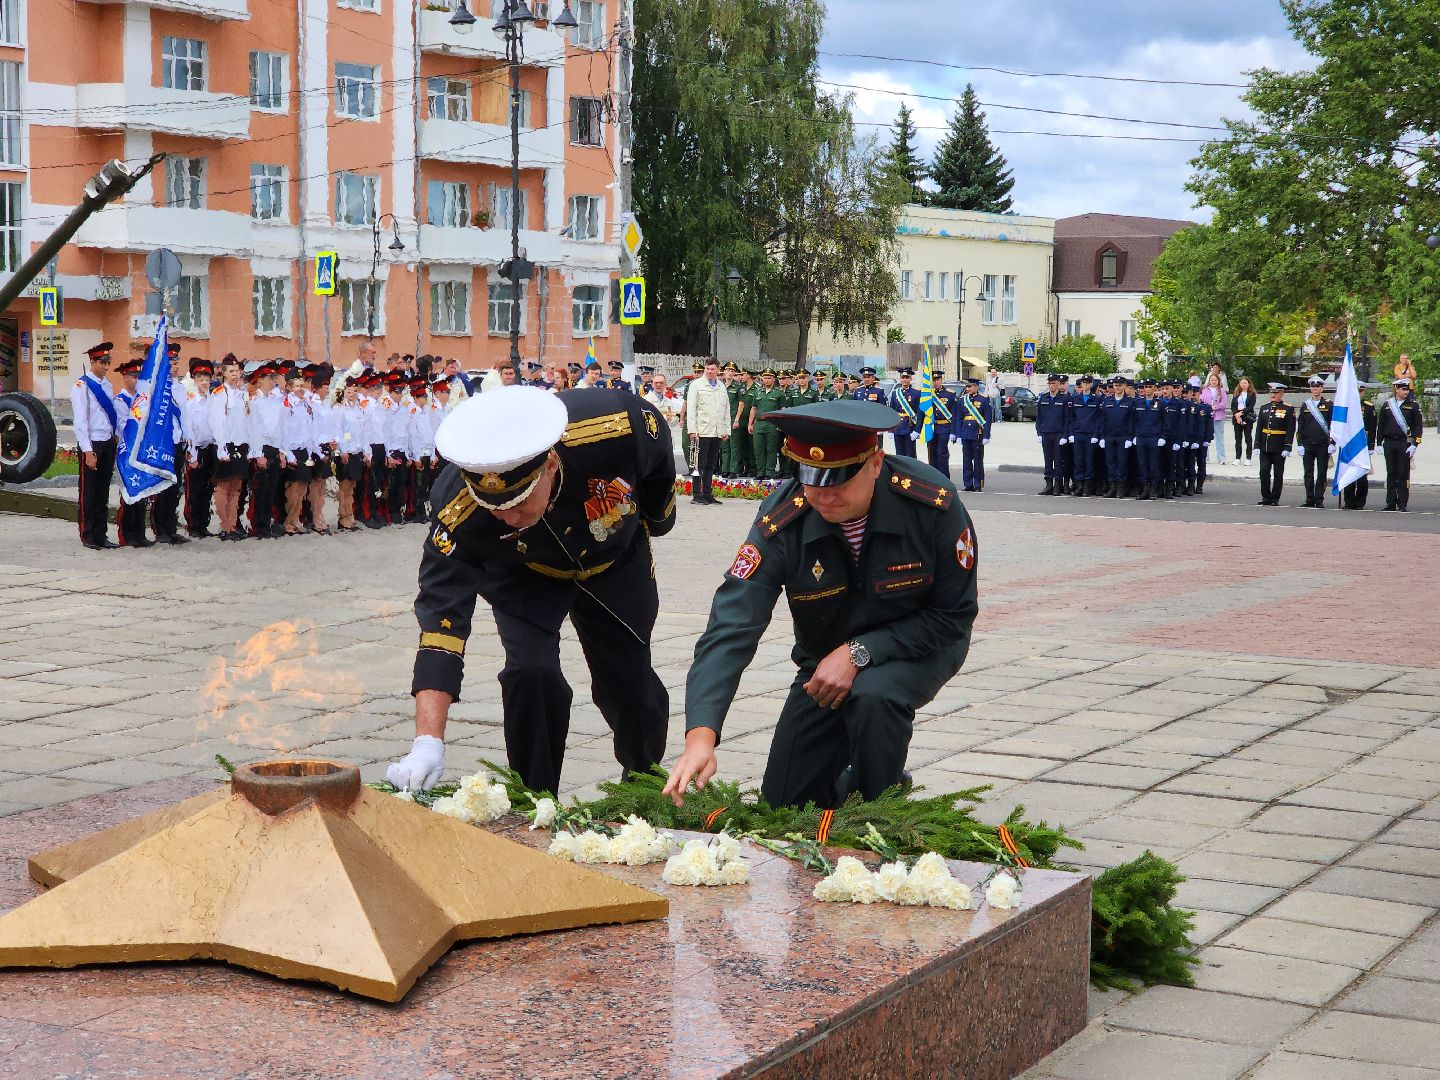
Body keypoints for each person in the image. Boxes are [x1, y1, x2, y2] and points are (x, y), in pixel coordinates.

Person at [663, 399, 978, 810]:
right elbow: (732, 624)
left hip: (922, 645)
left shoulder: (931, 504)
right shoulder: (783, 520)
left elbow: (953, 616)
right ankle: (857, 777)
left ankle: (877, 803)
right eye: (812, 480)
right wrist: (701, 736)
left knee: (874, 695)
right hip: (823, 662)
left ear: (875, 463)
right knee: (784, 804)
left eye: (839, 482)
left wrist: (860, 652)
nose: (824, 497)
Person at [386, 386, 677, 796]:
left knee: (629, 681)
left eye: (520, 502)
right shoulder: (457, 509)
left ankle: (642, 780)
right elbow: (441, 623)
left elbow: (658, 457)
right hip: (524, 572)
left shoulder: (616, 425)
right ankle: (536, 798)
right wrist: (427, 742)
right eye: (495, 508)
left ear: (551, 464)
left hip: (612, 559)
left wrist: (659, 517)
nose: (508, 517)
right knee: (530, 672)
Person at [72, 342, 119, 550]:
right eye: (102, 363)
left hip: (107, 442)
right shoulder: (81, 386)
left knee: (102, 491)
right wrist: (87, 450)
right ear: (92, 361)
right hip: (92, 444)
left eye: (108, 363)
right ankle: (88, 534)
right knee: (88, 491)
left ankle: (101, 534)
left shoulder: (107, 384)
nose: (106, 367)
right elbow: (80, 421)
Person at [113, 358, 155, 548]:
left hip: (142, 453)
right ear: (124, 377)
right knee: (128, 495)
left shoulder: (143, 400)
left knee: (142, 494)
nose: (137, 380)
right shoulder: (121, 401)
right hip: (128, 453)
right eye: (133, 376)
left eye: (139, 376)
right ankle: (126, 535)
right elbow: (123, 427)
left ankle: (139, 534)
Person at [209, 355, 251, 541]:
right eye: (231, 371)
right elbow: (217, 422)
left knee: (237, 486)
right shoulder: (219, 393)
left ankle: (233, 524)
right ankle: (224, 525)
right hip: (226, 443)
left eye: (237, 371)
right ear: (224, 373)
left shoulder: (242, 393)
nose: (235, 374)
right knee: (223, 486)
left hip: (241, 443)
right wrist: (221, 447)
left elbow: (247, 420)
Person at [684, 360, 730, 505]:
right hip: (701, 431)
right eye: (707, 369)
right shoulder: (696, 385)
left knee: (711, 465)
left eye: (712, 369)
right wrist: (692, 430)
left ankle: (707, 494)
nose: (709, 371)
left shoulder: (721, 386)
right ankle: (697, 495)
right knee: (699, 465)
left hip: (716, 431)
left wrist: (726, 430)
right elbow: (691, 409)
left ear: (718, 370)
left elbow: (726, 409)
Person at [182, 357, 217, 538]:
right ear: (194, 380)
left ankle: (203, 523)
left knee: (207, 489)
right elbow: (189, 429)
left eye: (206, 379)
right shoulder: (191, 401)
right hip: (196, 449)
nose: (204, 383)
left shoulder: (212, 400)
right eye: (200, 379)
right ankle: (193, 524)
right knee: (194, 490)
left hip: (210, 448)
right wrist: (192, 454)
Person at [1378, 377, 1423, 512]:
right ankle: (1390, 503)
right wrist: (1379, 443)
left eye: (1407, 389)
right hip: (1389, 443)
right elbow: (1381, 426)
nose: (1406, 392)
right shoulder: (1387, 405)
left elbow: (1418, 427)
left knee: (1403, 474)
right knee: (1391, 473)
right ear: (1396, 389)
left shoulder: (1413, 405)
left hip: (1404, 443)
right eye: (1403, 389)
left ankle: (1402, 503)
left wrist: (1415, 444)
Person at [1297, 374, 1335, 508]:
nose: (1315, 389)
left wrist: (1333, 443)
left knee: (1322, 473)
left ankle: (1319, 499)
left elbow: (1333, 425)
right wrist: (1300, 444)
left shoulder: (1329, 404)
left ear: (1322, 388)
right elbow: (1300, 426)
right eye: (1313, 387)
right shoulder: (1305, 405)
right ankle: (1309, 499)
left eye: (1317, 387)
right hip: (1308, 443)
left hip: (1323, 444)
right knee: (1308, 473)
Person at [1255, 382, 1296, 506]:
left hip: (1279, 446)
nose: (1273, 395)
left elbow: (1290, 429)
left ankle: (1275, 498)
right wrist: (1257, 444)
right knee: (1263, 472)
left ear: (1282, 394)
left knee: (1278, 474)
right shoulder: (1264, 407)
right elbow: (1259, 428)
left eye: (1276, 393)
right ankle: (1266, 497)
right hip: (1265, 446)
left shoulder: (1288, 408)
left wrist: (1288, 446)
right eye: (1271, 393)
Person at [1341, 382, 1378, 510]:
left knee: (1362, 476)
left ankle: (1360, 502)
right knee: (1349, 473)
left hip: (1363, 445)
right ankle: (1349, 501)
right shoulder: (1346, 407)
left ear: (1363, 393)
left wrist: (1371, 446)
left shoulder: (1368, 407)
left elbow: (1372, 428)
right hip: (1349, 444)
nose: (1357, 394)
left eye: (1360, 392)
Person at [1099, 376, 1135, 498]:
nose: (1117, 388)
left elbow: (1132, 421)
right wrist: (1102, 437)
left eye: (1119, 385)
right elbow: (1103, 420)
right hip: (1109, 436)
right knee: (1110, 463)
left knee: (1121, 463)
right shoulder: (1107, 401)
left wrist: (1130, 438)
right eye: (1115, 385)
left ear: (1124, 386)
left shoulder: (1129, 402)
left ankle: (1120, 489)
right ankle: (1112, 488)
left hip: (1123, 437)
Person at [955, 377, 992, 492]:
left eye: (970, 386)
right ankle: (968, 483)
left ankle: (977, 484)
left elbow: (988, 419)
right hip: (966, 433)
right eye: (967, 386)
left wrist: (986, 435)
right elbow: (959, 418)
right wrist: (958, 435)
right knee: (966, 460)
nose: (967, 389)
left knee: (977, 460)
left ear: (976, 387)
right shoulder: (962, 400)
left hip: (977, 433)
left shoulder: (984, 399)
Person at [748, 369, 786, 479]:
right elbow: (753, 408)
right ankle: (760, 472)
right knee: (758, 449)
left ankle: (769, 472)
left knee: (771, 449)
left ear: (774, 379)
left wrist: (781, 424)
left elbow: (782, 410)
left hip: (772, 424)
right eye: (765, 378)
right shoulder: (758, 392)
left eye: (769, 378)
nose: (767, 380)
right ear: (762, 379)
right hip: (759, 424)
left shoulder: (779, 392)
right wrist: (750, 424)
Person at [1034, 372, 1068, 495]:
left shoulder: (1064, 399)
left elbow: (1067, 419)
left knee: (1058, 461)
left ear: (1058, 384)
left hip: (1058, 434)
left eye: (1053, 383)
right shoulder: (1043, 398)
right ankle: (1049, 485)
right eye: (1049, 383)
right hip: (1046, 433)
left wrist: (1065, 435)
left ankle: (1058, 485)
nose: (1051, 386)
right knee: (1048, 460)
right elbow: (1039, 417)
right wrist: (1039, 433)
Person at [886, 368, 922, 457]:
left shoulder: (916, 393)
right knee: (899, 454)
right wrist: (890, 430)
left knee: (910, 454)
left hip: (910, 427)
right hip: (898, 428)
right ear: (900, 379)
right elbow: (892, 412)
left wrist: (917, 430)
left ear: (910, 379)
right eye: (903, 377)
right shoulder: (895, 393)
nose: (904, 379)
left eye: (907, 377)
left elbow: (920, 413)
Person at [927, 377, 957, 478]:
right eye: (934, 380)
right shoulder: (928, 394)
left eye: (938, 380)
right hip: (932, 427)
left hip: (944, 427)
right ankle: (934, 478)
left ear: (941, 380)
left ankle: (944, 478)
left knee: (941, 453)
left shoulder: (950, 394)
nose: (936, 382)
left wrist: (953, 431)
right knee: (932, 454)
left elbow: (954, 414)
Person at [1202, 373, 1229, 464]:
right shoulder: (1205, 390)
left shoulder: (1222, 390)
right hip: (1207, 416)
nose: (1214, 382)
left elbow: (1224, 403)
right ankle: (1205, 457)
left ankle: (1221, 458)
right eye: (1212, 380)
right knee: (1205, 436)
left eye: (1216, 380)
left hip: (1219, 416)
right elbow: (1202, 401)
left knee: (1219, 437)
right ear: (1209, 381)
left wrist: (1216, 407)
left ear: (1218, 381)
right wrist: (1209, 408)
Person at [1232, 376, 1257, 464]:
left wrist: (1241, 413)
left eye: (1245, 383)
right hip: (1237, 417)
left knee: (1248, 437)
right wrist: (1237, 415)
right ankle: (1237, 458)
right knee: (1238, 438)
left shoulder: (1252, 394)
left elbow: (1250, 406)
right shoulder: (1236, 393)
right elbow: (1233, 406)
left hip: (1247, 416)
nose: (1243, 384)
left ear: (1249, 384)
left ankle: (1248, 458)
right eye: (1242, 383)